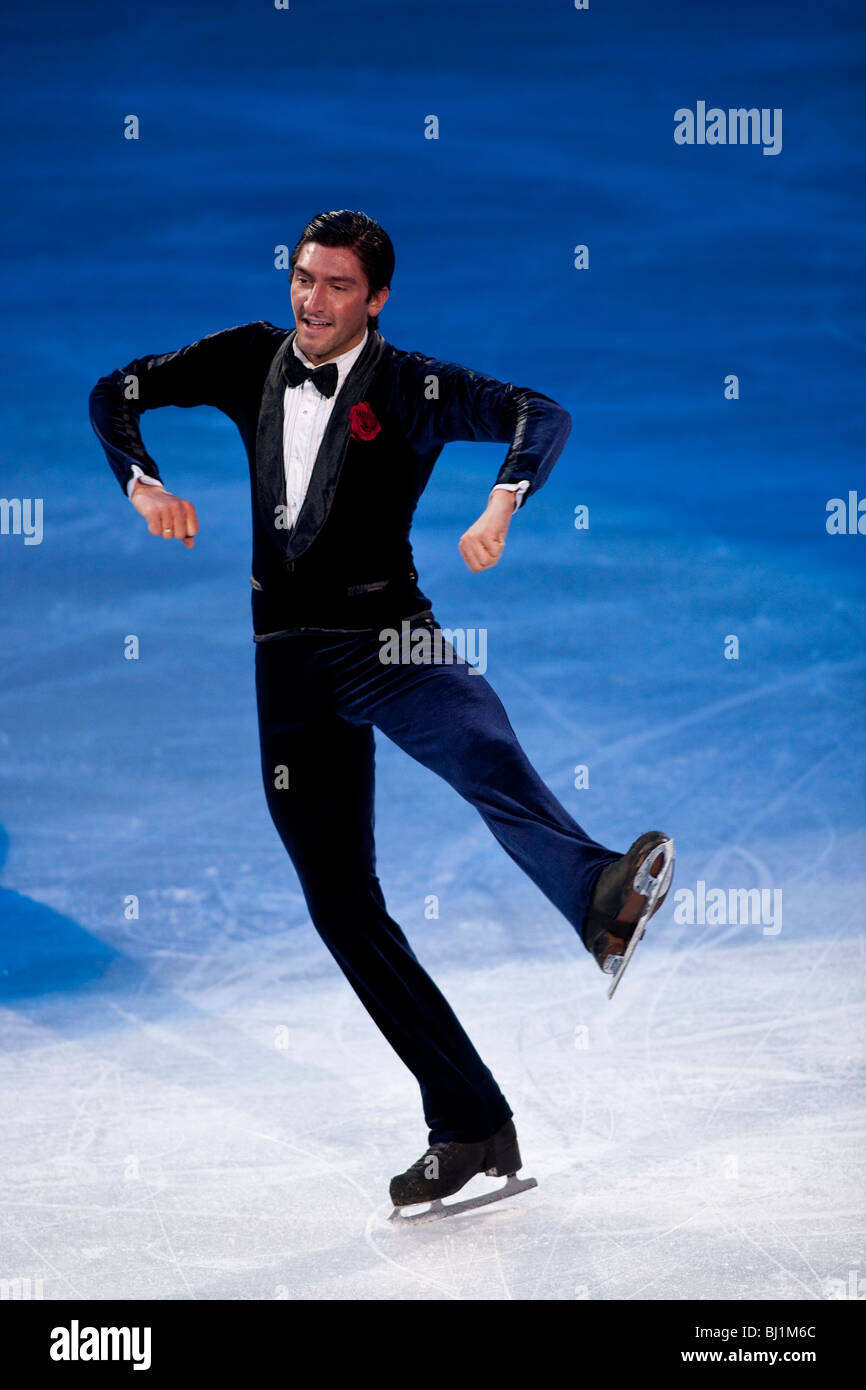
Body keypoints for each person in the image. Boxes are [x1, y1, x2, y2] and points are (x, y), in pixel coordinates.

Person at [89, 209, 674, 1214]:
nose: (311, 301)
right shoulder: (245, 358)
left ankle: (597, 895)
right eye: (302, 280)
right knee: (341, 903)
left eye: (335, 287)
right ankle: (467, 1121)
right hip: (287, 668)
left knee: (481, 742)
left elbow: (542, 414)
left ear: (378, 300)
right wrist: (142, 481)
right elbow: (117, 391)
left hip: (389, 639)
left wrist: (500, 502)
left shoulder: (412, 388)